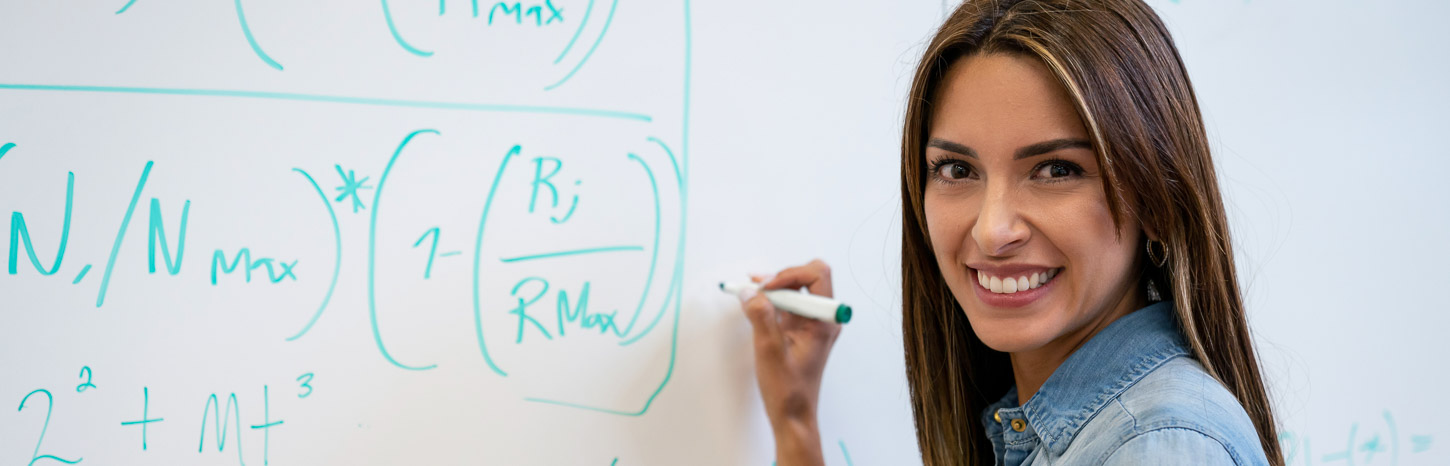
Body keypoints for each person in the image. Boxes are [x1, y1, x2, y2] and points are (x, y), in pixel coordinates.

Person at [735, 0, 1282, 464]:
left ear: (1158, 204)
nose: (993, 231)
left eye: (1057, 170)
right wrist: (795, 424)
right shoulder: (1057, 429)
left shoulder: (1156, 445)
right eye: (956, 169)